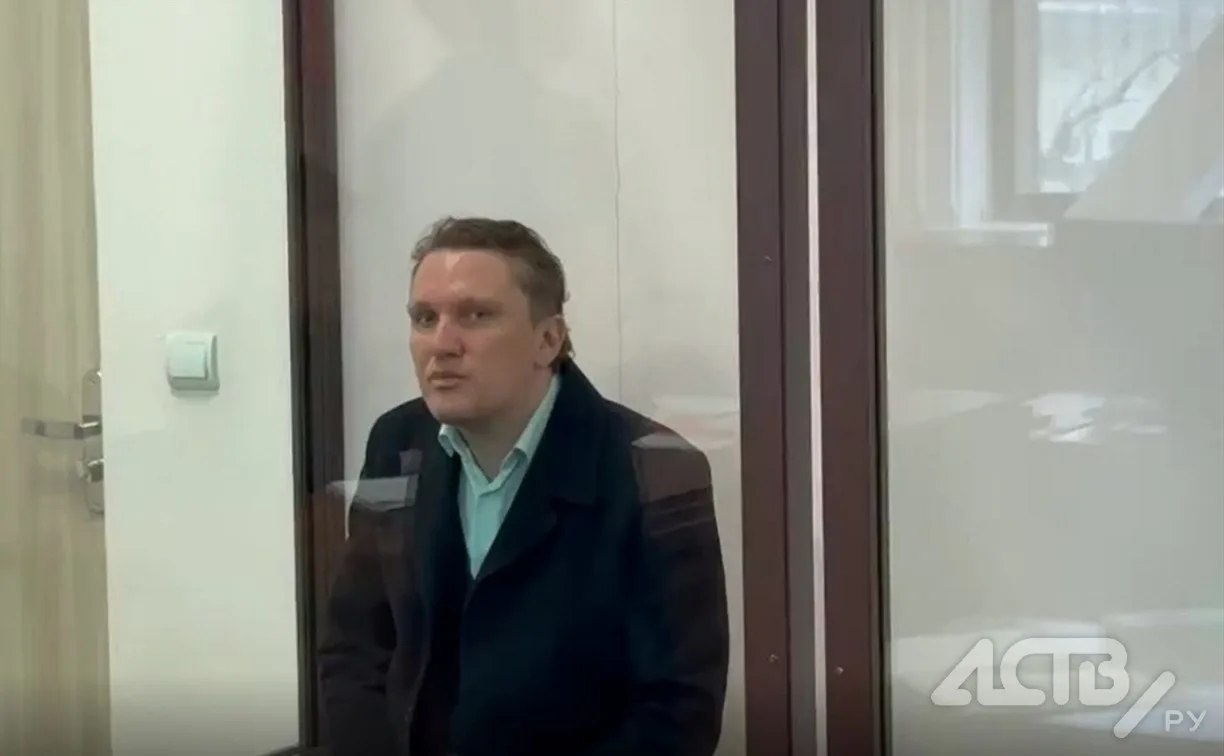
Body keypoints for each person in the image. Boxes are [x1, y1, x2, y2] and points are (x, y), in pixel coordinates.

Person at [318, 216, 730, 756]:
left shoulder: (651, 468)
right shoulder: (397, 441)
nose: (442, 344)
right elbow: (355, 646)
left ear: (547, 339)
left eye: (477, 315)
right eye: (425, 318)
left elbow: (678, 707)